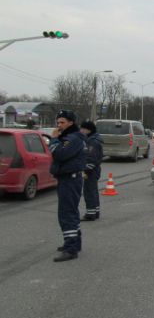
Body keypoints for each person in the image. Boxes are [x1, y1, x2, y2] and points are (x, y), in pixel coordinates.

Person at [49, 110, 87, 262]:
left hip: (70, 179)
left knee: (67, 214)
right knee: (70, 212)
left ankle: (71, 249)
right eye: (58, 122)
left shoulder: (73, 138)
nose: (59, 126)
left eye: (62, 122)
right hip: (67, 178)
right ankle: (73, 243)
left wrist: (53, 140)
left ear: (71, 123)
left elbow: (60, 154)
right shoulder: (70, 137)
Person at [80, 120, 104, 221]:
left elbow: (91, 157)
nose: (81, 130)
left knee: (89, 192)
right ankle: (95, 211)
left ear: (88, 129)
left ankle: (90, 214)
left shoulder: (92, 142)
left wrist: (86, 170)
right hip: (95, 169)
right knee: (93, 191)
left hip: (91, 170)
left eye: (82, 129)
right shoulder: (94, 139)